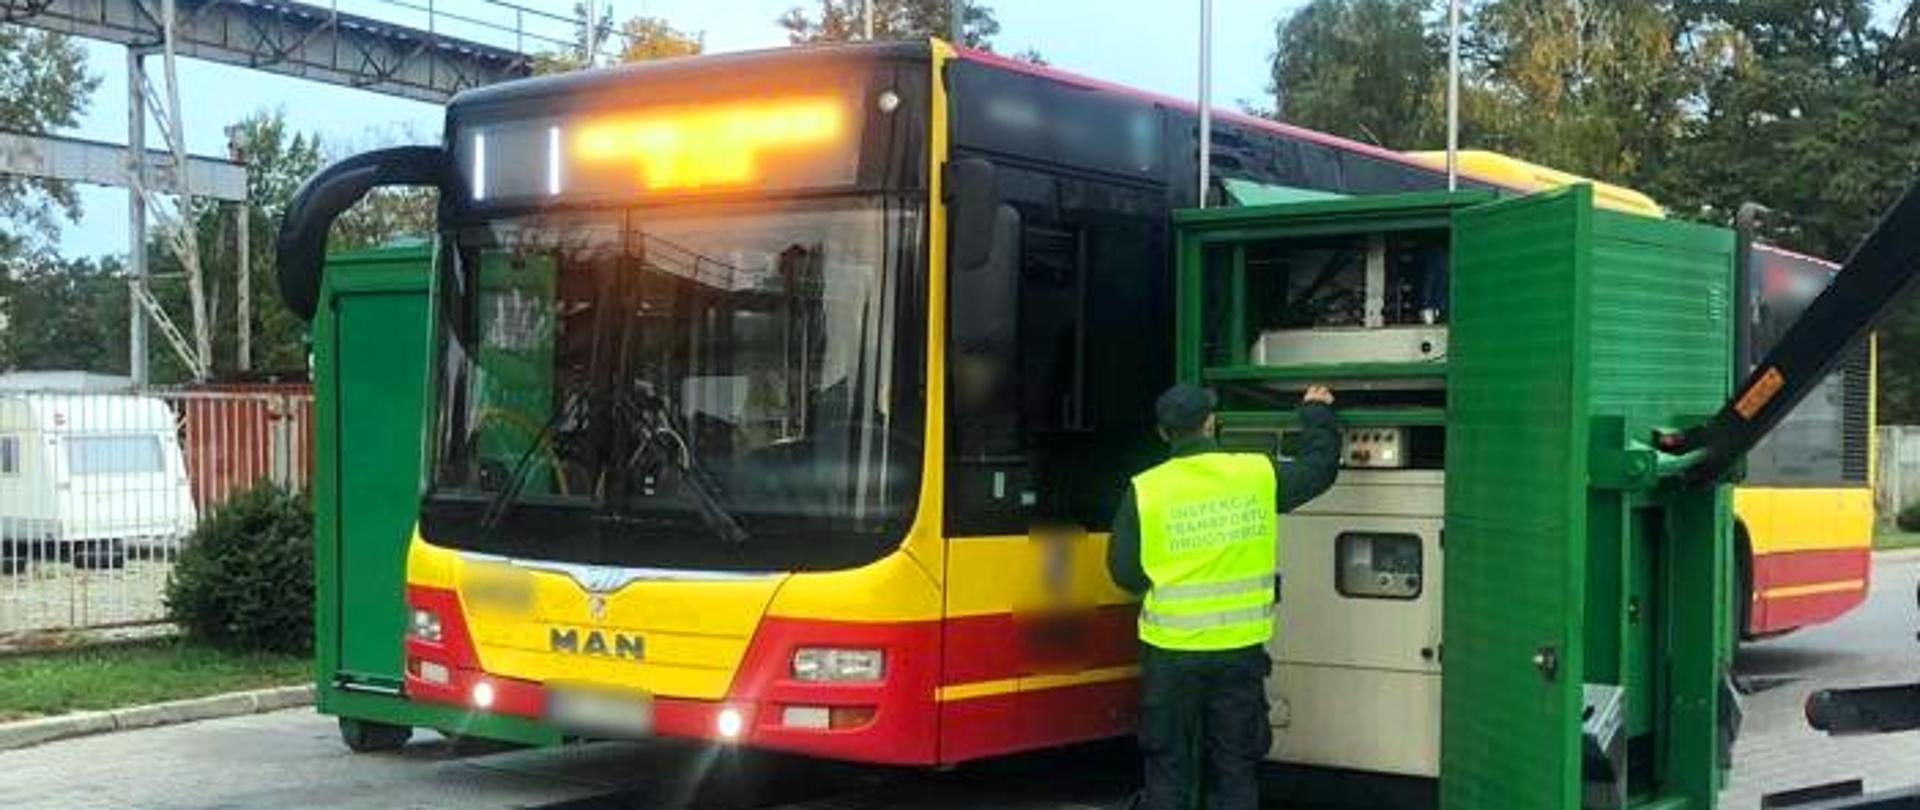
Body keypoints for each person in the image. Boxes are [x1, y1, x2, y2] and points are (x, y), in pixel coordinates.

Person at [1107, 383, 1341, 810]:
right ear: (1211, 423)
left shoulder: (1145, 489)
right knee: (1234, 766)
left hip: (1170, 655)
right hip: (1238, 652)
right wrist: (1316, 415)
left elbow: (1124, 573)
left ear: (1163, 433)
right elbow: (1319, 469)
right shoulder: (1254, 474)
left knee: (1167, 765)